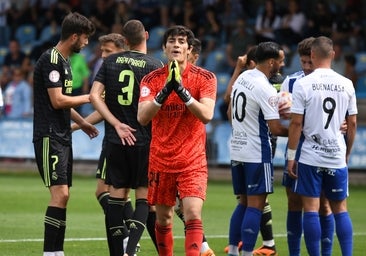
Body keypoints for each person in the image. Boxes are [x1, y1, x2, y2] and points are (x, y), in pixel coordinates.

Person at [137, 25, 217, 255]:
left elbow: (207, 115)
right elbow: (142, 117)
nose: (176, 45)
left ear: (189, 49)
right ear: (164, 48)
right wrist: (163, 93)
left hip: (192, 160)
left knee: (192, 212)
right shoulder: (151, 80)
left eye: (182, 42)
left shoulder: (205, 78)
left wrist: (182, 92)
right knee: (163, 218)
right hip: (161, 160)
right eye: (171, 41)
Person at [90, 19, 163, 256]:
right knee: (144, 197)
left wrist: (116, 124)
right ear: (146, 36)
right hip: (144, 139)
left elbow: (94, 96)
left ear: (125, 40)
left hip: (116, 139)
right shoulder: (155, 65)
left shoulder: (109, 62)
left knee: (116, 196)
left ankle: (117, 253)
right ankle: (130, 250)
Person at [32, 12, 98, 256]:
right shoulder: (51, 59)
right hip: (49, 135)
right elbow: (58, 100)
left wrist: (83, 123)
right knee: (60, 194)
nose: (87, 43)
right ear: (74, 36)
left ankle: (57, 251)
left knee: (65, 195)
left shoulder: (65, 61)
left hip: (62, 136)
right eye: (85, 38)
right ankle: (50, 252)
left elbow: (66, 104)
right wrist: (92, 97)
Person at [286, 36, 357, 256]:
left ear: (313, 55)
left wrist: (290, 156)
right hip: (335, 154)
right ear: (333, 55)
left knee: (311, 209)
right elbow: (352, 122)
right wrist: (346, 153)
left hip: (309, 155)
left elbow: (296, 122)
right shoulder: (347, 83)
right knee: (341, 210)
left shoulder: (303, 84)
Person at [71, 32, 135, 255]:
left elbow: (101, 106)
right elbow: (102, 107)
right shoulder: (117, 68)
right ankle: (128, 239)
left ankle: (128, 240)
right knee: (114, 194)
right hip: (117, 139)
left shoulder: (115, 71)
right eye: (103, 51)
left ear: (122, 49)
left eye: (109, 51)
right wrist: (78, 126)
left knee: (109, 193)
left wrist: (76, 126)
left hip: (117, 140)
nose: (104, 55)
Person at [228, 41, 287, 256]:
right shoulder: (265, 88)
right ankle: (247, 252)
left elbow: (229, 113)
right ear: (271, 62)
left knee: (242, 204)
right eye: (279, 62)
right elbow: (276, 128)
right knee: (255, 205)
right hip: (256, 152)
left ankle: (234, 251)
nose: (281, 66)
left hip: (237, 150)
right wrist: (302, 130)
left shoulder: (243, 77)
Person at [281, 36, 338, 256]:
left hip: (321, 151)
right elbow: (284, 117)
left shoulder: (332, 82)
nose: (306, 67)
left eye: (309, 63)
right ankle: (294, 253)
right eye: (302, 62)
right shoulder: (291, 82)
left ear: (316, 58)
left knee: (323, 205)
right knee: (293, 202)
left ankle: (326, 252)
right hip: (296, 148)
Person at [172, 37, 215, 256]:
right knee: (178, 207)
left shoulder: (202, 80)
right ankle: (204, 246)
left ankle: (202, 247)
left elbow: (206, 113)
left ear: (192, 54)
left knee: (185, 207)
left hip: (189, 153)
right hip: (167, 152)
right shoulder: (167, 76)